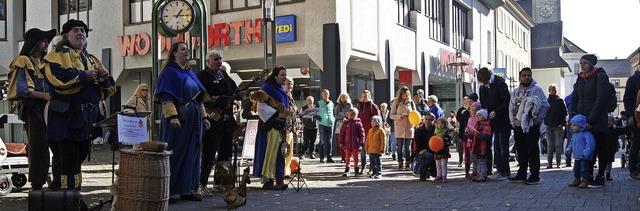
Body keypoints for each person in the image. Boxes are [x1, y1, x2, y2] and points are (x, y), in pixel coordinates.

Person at [44, 19, 116, 191]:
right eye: (75, 30)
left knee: (79, 157)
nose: (80, 33)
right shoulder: (56, 55)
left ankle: (70, 197)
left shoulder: (91, 59)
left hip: (86, 119)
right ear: (65, 35)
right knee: (69, 160)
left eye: (83, 30)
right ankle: (69, 197)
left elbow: (110, 88)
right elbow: (58, 80)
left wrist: (105, 78)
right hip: (66, 119)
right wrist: (85, 76)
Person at [154, 42, 210, 202]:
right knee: (176, 152)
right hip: (179, 119)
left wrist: (205, 117)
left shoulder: (190, 73)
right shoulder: (169, 72)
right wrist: (172, 117)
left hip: (194, 120)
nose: (187, 52)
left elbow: (198, 98)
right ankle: (169, 191)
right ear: (174, 53)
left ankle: (188, 189)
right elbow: (165, 96)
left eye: (187, 49)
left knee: (193, 152)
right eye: (183, 49)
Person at [7, 28, 56, 190]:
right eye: (43, 41)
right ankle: (37, 184)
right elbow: (22, 90)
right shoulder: (23, 61)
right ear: (34, 43)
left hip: (49, 109)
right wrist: (43, 96)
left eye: (47, 41)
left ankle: (54, 180)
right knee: (38, 145)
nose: (47, 43)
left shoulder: (45, 63)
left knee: (55, 144)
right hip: (33, 108)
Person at [196, 50, 242, 197]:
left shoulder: (224, 75)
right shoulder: (202, 76)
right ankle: (201, 184)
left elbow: (235, 89)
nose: (219, 61)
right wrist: (217, 100)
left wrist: (239, 94)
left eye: (220, 59)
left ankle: (219, 182)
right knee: (209, 153)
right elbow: (200, 97)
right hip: (213, 119)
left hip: (227, 120)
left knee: (225, 154)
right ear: (208, 61)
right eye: (216, 59)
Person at [569, 54, 611, 187]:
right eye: (581, 63)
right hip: (581, 120)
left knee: (599, 147)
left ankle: (600, 176)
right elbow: (574, 99)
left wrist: (591, 120)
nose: (582, 65)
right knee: (584, 149)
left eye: (585, 63)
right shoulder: (580, 78)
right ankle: (586, 176)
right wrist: (573, 116)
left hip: (597, 120)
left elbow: (601, 99)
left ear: (591, 64)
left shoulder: (600, 76)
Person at [506, 67, 549, 185]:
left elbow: (545, 105)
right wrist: (512, 122)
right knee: (521, 150)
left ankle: (535, 175)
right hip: (518, 125)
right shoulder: (515, 91)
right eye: (524, 75)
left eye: (529, 75)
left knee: (532, 150)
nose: (526, 77)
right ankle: (521, 173)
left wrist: (539, 119)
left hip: (531, 125)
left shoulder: (537, 90)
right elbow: (511, 107)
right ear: (519, 77)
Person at [252, 65, 291, 190]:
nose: (285, 77)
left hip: (280, 126)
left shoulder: (282, 89)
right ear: (275, 76)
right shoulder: (267, 88)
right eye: (282, 75)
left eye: (285, 75)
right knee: (270, 152)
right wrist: (276, 115)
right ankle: (268, 181)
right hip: (270, 127)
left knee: (280, 153)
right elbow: (260, 106)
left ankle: (279, 179)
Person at [477, 67, 511, 178]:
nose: (485, 84)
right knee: (497, 146)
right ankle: (502, 170)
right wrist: (485, 111)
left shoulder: (500, 83)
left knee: (502, 146)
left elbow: (507, 101)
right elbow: (485, 103)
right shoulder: (483, 87)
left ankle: (502, 171)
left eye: (486, 82)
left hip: (503, 120)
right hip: (492, 121)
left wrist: (496, 111)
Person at [566, 114, 596, 189]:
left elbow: (590, 145)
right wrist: (569, 149)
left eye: (574, 125)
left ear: (580, 125)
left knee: (584, 169)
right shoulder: (575, 134)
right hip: (577, 156)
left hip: (583, 156)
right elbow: (572, 143)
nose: (572, 127)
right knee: (576, 168)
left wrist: (586, 154)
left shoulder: (587, 134)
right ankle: (577, 179)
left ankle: (585, 180)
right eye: (572, 125)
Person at [390, 86, 415, 171]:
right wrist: (400, 116)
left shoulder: (411, 102)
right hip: (399, 127)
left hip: (409, 127)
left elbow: (415, 113)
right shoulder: (396, 103)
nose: (405, 97)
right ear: (400, 95)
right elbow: (391, 115)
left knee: (408, 148)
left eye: (407, 95)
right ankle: (400, 163)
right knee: (399, 147)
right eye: (404, 95)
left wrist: (411, 117)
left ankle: (408, 163)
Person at [544, 84, 567, 169]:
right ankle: (549, 163)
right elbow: (543, 112)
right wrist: (544, 122)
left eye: (555, 90)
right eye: (552, 90)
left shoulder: (560, 101)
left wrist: (562, 124)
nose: (554, 91)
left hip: (558, 126)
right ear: (549, 91)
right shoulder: (546, 101)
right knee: (550, 145)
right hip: (548, 126)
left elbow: (565, 113)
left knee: (558, 145)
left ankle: (558, 162)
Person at [623, 67, 640, 180]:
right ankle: (633, 170)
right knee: (636, 143)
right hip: (638, 117)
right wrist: (629, 116)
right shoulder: (633, 79)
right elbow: (627, 99)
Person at [356, 90, 380, 171]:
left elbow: (378, 119)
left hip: (371, 132)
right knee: (362, 150)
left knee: (371, 150)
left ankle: (372, 167)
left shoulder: (373, 106)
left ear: (369, 97)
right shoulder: (358, 106)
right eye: (363, 96)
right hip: (361, 132)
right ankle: (363, 166)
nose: (364, 98)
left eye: (366, 96)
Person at [338, 107, 365, 177]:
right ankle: (347, 169)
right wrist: (341, 141)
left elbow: (362, 133)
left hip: (355, 143)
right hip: (347, 143)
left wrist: (362, 141)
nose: (350, 116)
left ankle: (356, 170)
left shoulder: (358, 123)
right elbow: (342, 133)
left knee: (356, 157)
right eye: (349, 114)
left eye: (352, 115)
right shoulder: (345, 123)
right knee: (347, 157)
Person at [605, 114, 631, 181]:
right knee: (603, 161)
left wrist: (630, 125)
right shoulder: (602, 130)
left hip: (611, 148)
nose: (609, 122)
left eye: (610, 121)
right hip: (603, 148)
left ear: (613, 122)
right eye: (607, 121)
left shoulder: (615, 129)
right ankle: (603, 173)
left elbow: (623, 129)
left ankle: (608, 173)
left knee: (609, 161)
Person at [469, 109, 492, 182]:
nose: (477, 117)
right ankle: (479, 173)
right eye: (477, 115)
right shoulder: (478, 125)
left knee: (482, 161)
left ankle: (483, 174)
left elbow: (486, 137)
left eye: (480, 115)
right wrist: (468, 134)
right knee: (478, 161)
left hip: (482, 147)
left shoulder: (486, 126)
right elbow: (473, 136)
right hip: (477, 147)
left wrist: (478, 134)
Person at [283, 77, 299, 176]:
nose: (290, 86)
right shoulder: (283, 95)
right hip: (285, 127)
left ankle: (287, 170)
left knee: (290, 151)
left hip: (291, 127)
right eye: (288, 84)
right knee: (285, 151)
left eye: (292, 84)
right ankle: (283, 171)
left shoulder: (290, 96)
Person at [315, 89, 336, 163]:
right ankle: (321, 157)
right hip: (322, 124)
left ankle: (329, 157)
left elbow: (334, 112)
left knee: (329, 141)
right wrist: (319, 119)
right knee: (322, 141)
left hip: (330, 124)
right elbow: (314, 113)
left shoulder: (332, 103)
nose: (326, 95)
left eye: (327, 93)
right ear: (322, 95)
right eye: (324, 94)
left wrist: (333, 119)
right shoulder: (319, 103)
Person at [414, 113, 437, 181]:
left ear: (433, 121)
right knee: (428, 156)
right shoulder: (418, 131)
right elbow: (419, 146)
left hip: (433, 152)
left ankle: (430, 171)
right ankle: (422, 173)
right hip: (422, 154)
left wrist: (428, 150)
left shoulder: (436, 130)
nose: (428, 121)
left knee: (435, 174)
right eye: (426, 119)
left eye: (430, 120)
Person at [334, 92, 353, 163]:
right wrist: (345, 114)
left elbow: (350, 115)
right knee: (340, 142)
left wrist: (341, 114)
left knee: (348, 141)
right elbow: (336, 115)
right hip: (339, 125)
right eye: (341, 97)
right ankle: (343, 157)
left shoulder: (349, 105)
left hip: (348, 124)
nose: (343, 98)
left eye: (344, 97)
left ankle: (348, 156)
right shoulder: (338, 106)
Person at [433, 117, 453, 183]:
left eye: (442, 123)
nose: (440, 125)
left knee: (443, 164)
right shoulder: (435, 132)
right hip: (437, 151)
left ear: (445, 124)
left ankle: (444, 176)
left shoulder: (446, 132)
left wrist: (443, 143)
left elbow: (449, 141)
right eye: (438, 123)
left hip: (444, 151)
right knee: (438, 164)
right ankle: (439, 176)